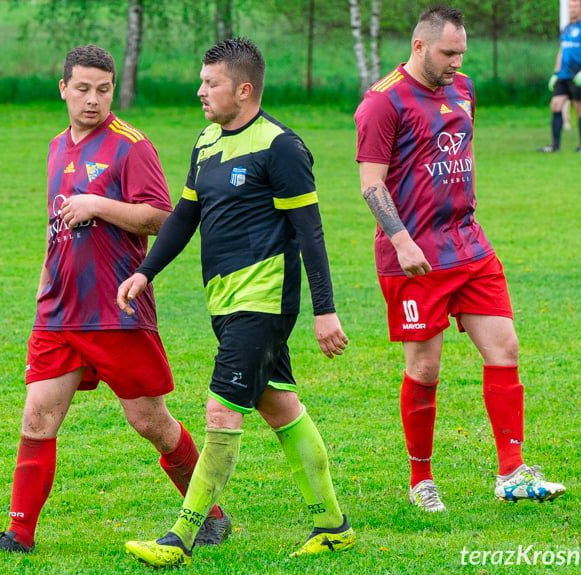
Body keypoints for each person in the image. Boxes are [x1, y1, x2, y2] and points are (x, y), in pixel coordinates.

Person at [0, 45, 230, 557]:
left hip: (116, 310)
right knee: (37, 417)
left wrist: (99, 206)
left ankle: (210, 515)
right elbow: (54, 224)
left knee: (150, 421)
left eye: (103, 89)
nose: (92, 99)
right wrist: (45, 282)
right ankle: (18, 535)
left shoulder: (132, 146)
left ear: (113, 90)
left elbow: (162, 219)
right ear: (63, 88)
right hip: (58, 312)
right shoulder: (56, 146)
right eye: (82, 88)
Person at [116, 38, 354, 568]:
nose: (200, 91)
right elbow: (184, 215)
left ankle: (181, 537)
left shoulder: (281, 147)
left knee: (221, 410)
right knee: (280, 407)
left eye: (211, 83)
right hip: (224, 301)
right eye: (202, 81)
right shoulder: (205, 142)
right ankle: (333, 526)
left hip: (263, 300)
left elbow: (310, 233)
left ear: (243, 90)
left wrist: (325, 309)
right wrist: (145, 272)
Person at [354, 7, 566, 513]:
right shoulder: (382, 103)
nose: (456, 62)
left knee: (505, 347)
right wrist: (403, 240)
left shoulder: (465, 88)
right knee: (425, 369)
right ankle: (420, 479)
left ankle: (511, 472)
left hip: (468, 245)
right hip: (414, 257)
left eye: (461, 53)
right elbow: (371, 183)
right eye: (449, 53)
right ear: (420, 46)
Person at [537, 0, 581, 153]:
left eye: (575, 6)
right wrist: (556, 73)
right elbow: (562, 52)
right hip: (563, 75)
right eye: (570, 7)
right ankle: (555, 145)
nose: (572, 9)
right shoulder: (566, 29)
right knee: (556, 105)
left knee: (580, 108)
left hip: (578, 74)